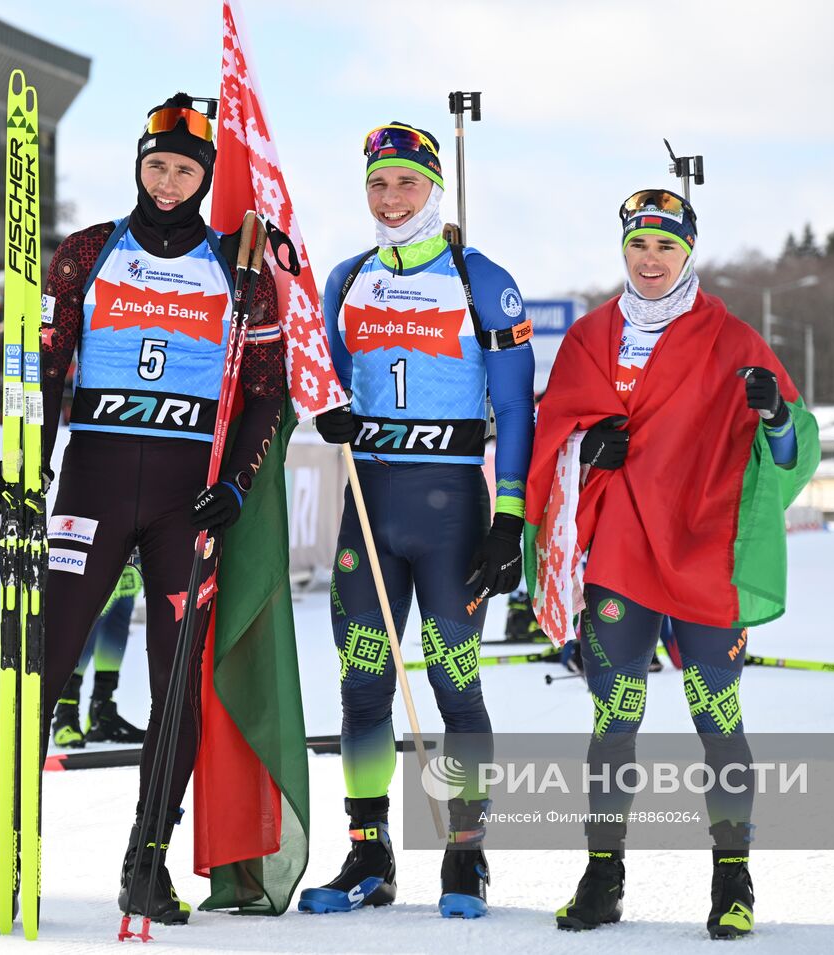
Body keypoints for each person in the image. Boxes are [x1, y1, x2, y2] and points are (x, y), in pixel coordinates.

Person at [0, 93, 286, 931]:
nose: (168, 181)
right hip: (92, 484)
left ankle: (149, 860)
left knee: (174, 687)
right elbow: (46, 367)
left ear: (206, 178)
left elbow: (266, 395)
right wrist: (27, 465)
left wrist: (236, 483)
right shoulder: (88, 253)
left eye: (186, 169)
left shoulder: (238, 271)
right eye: (157, 164)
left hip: (184, 498)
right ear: (138, 163)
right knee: (39, 667)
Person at [525, 189, 819, 937]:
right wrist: (586, 450)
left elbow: (791, 452)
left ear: (689, 252)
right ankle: (603, 875)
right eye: (639, 243)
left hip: (700, 553)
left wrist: (777, 416)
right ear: (623, 248)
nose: (650, 259)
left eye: (666, 245)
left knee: (717, 718)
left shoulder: (732, 338)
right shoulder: (591, 336)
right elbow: (552, 437)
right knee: (613, 718)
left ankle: (732, 878)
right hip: (620, 553)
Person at [298, 122, 535, 919]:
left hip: (450, 514)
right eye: (378, 184)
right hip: (369, 507)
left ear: (434, 188)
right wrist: (327, 412)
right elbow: (321, 375)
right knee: (362, 684)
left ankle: (466, 856)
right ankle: (369, 852)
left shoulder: (481, 279)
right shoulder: (347, 278)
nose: (392, 198)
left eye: (406, 183)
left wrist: (510, 519)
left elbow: (514, 406)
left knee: (452, 682)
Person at [51, 557, 147, 748]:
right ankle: (65, 714)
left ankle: (102, 711)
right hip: (98, 537)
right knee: (92, 615)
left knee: (121, 606)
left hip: (135, 539)